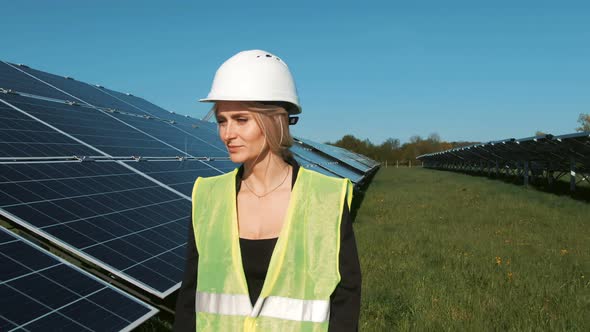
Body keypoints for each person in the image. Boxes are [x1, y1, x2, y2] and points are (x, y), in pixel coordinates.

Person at [173, 50, 361, 331]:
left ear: (276, 120)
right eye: (222, 121)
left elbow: (345, 301)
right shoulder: (207, 197)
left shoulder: (327, 198)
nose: (227, 134)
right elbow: (190, 298)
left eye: (241, 119)